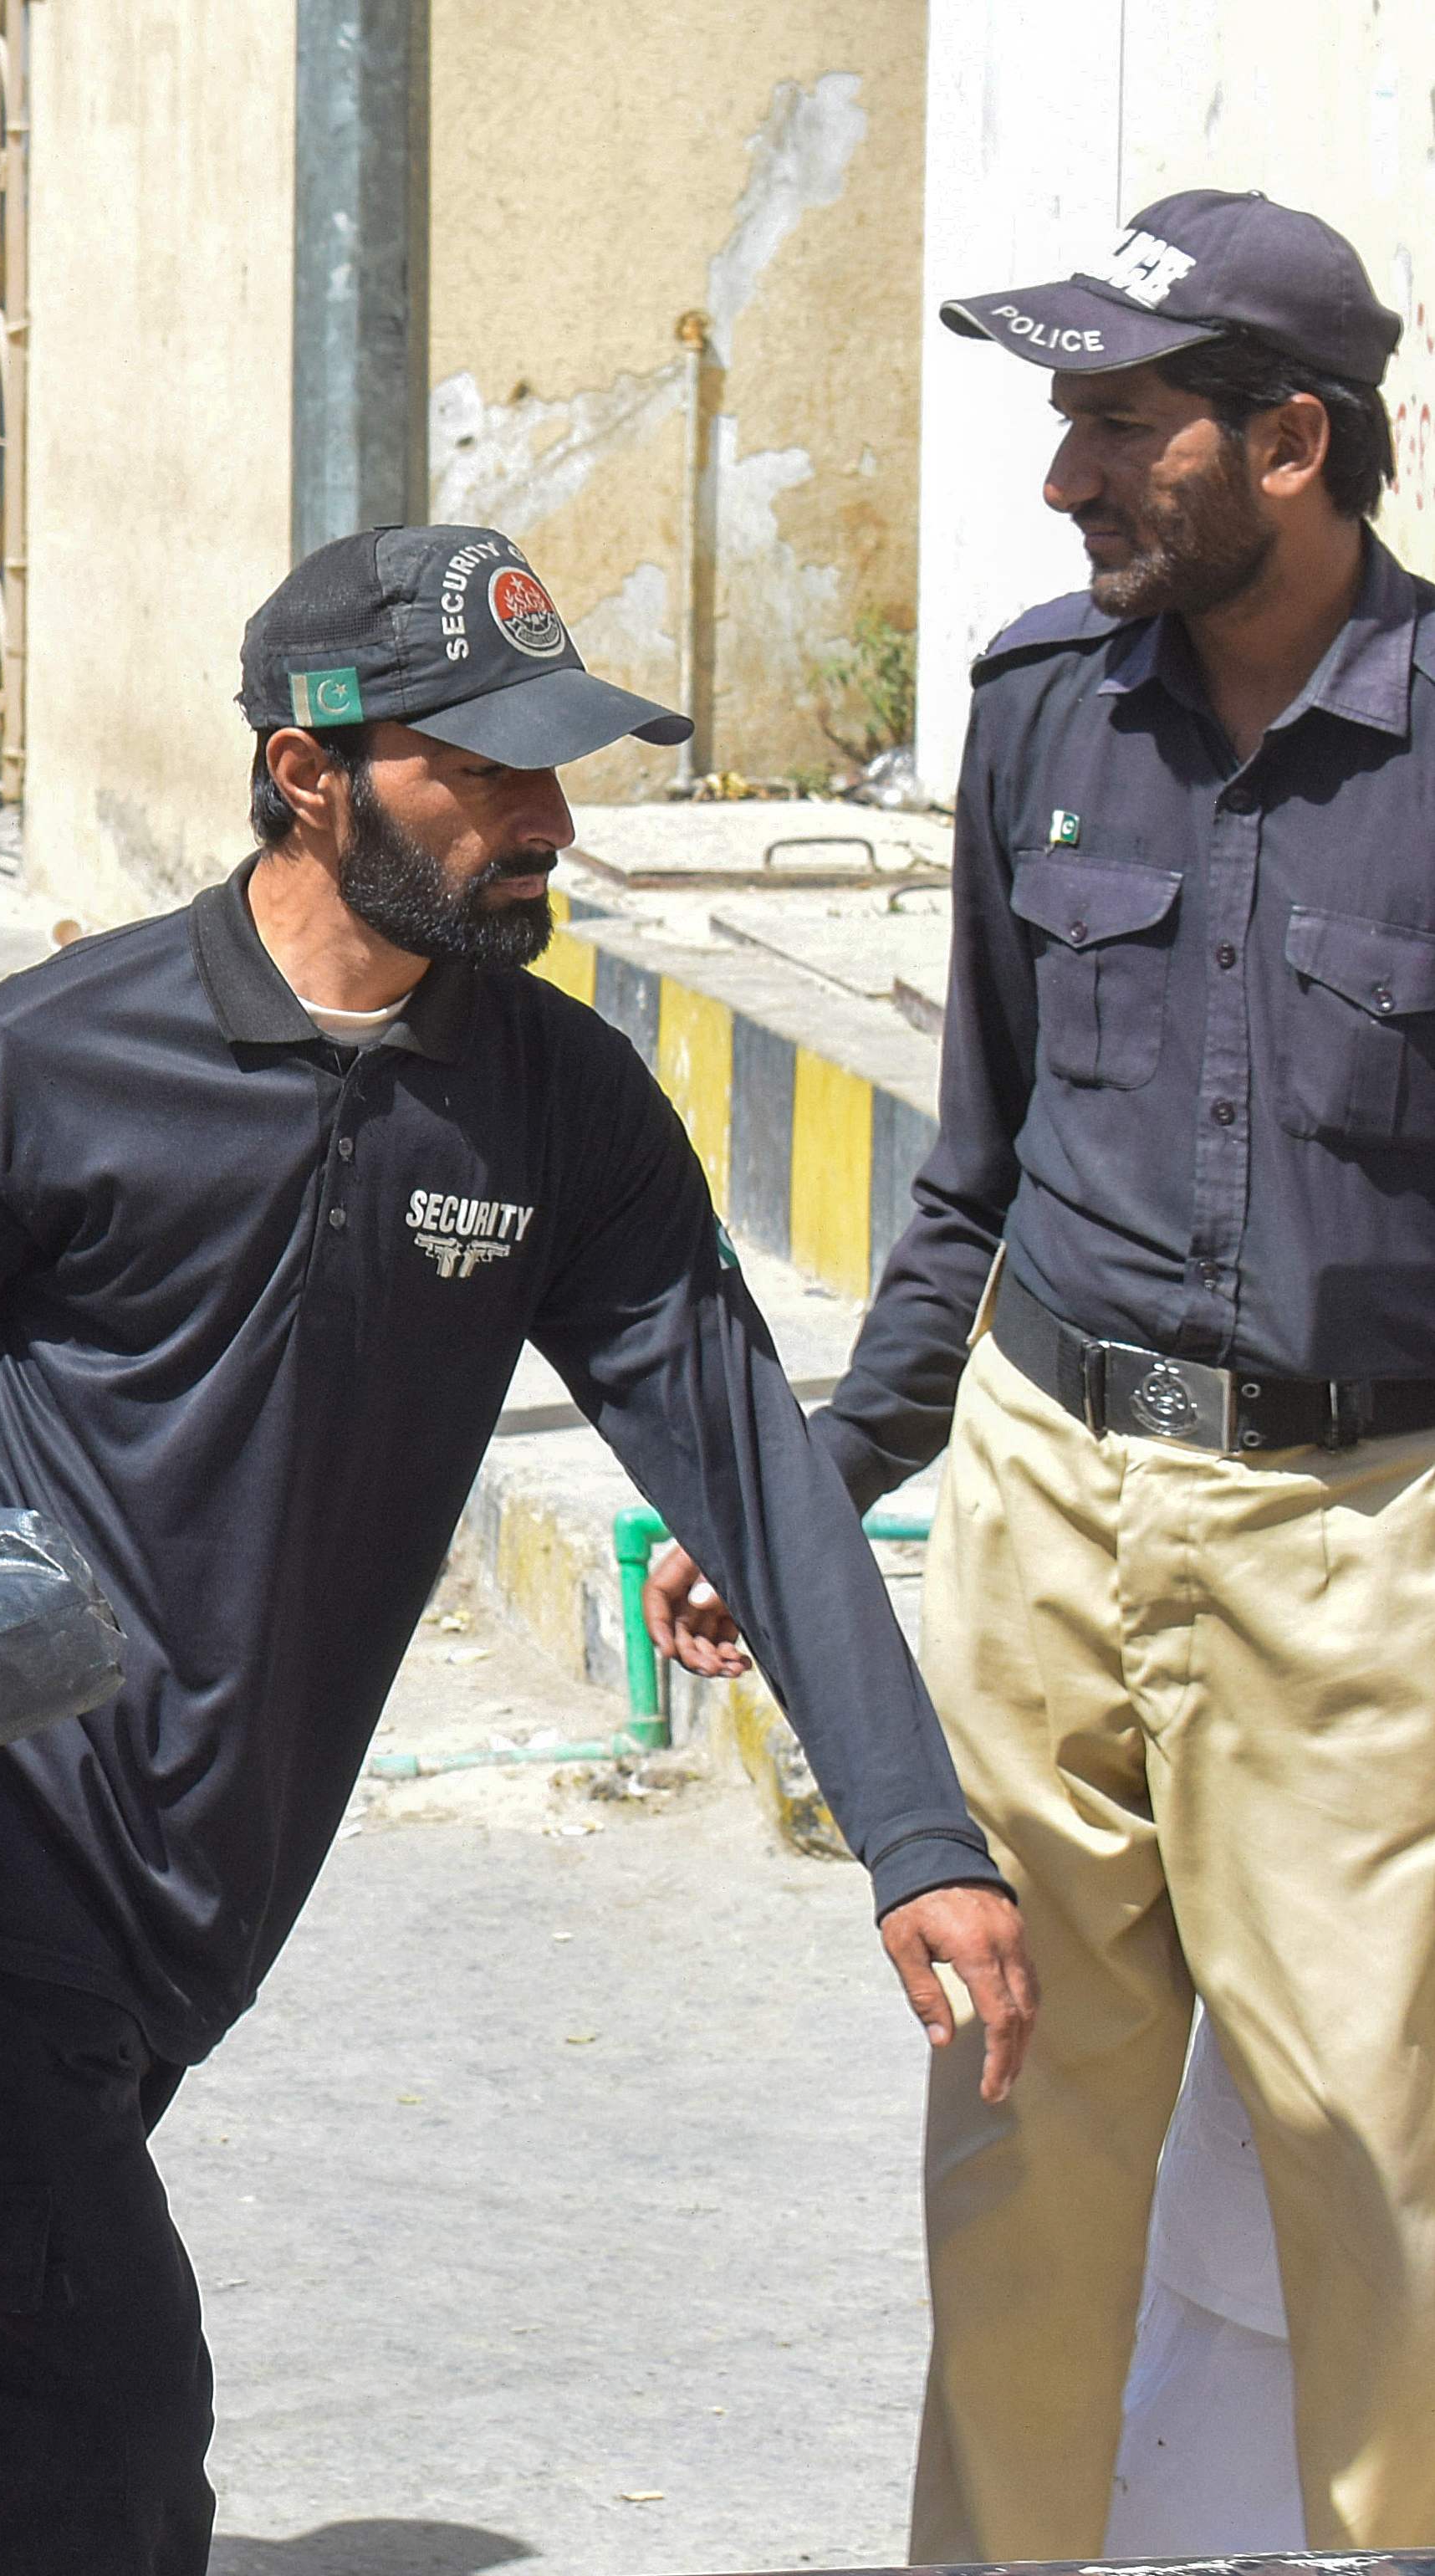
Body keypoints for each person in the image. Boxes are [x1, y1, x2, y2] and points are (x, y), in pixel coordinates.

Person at [0, 523, 1036, 2576]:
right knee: (113, 2448)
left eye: (552, 772)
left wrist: (919, 1840)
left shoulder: (556, 1109)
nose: (545, 821)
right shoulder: (55, 1062)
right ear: (310, 772)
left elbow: (744, 1456)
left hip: (215, 1895)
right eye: (484, 774)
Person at [643, 188, 1435, 2558]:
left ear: (1287, 440)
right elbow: (967, 1174)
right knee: (1014, 2139)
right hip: (1039, 1499)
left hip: (1351, 1550)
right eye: (1065, 421)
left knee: (1369, 2163)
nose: (1066, 476)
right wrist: (822, 1467)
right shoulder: (1033, 720)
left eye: (1121, 423)